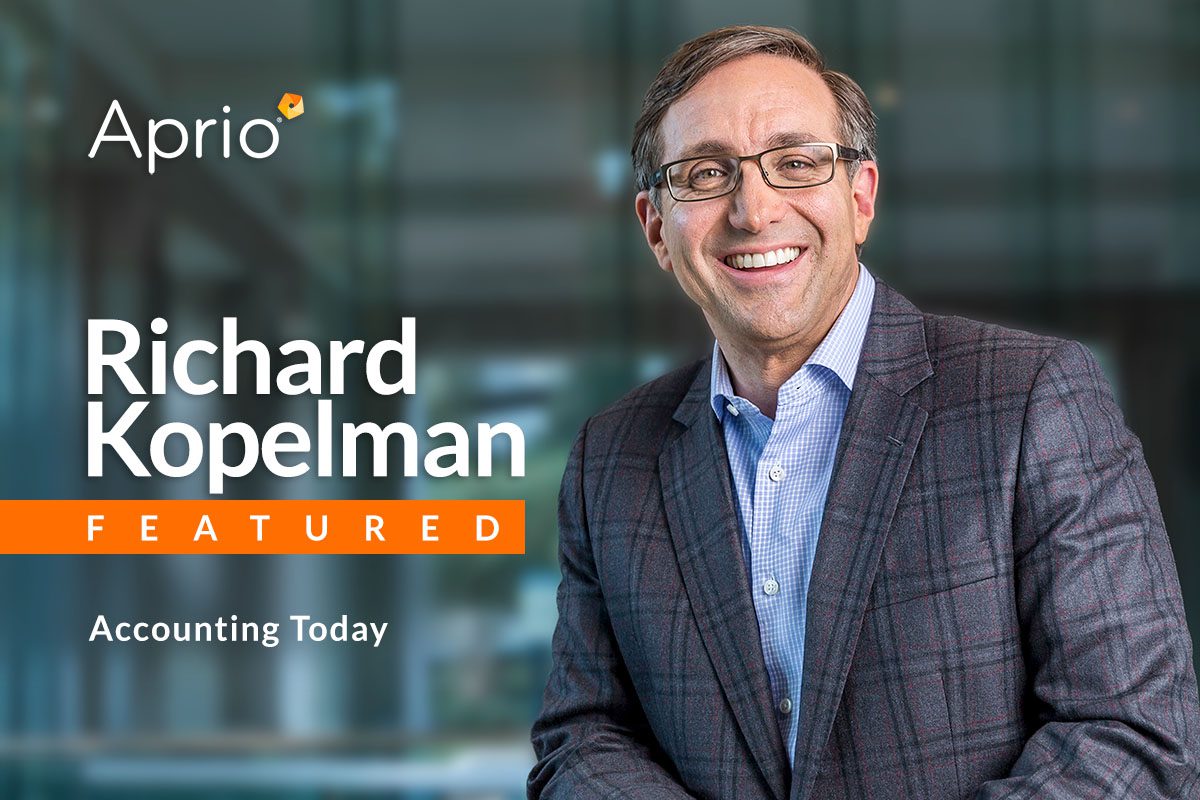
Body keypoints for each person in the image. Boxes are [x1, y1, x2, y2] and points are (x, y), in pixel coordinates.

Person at [528, 24, 1200, 800]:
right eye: (706, 174)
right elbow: (582, 738)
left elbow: (1134, 737)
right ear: (655, 228)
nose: (754, 209)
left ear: (859, 197)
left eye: (795, 163)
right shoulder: (610, 458)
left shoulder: (1033, 397)